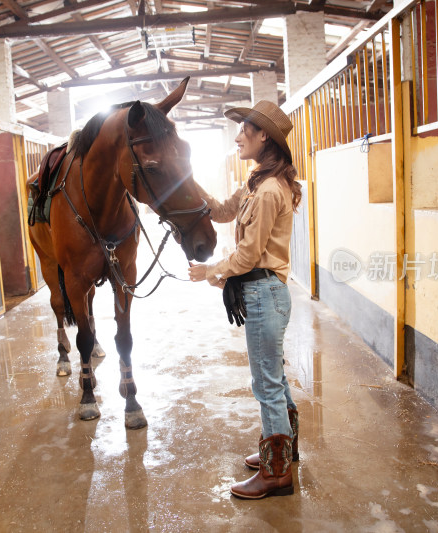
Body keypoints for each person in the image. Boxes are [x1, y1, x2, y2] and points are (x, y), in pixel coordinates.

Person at [188, 100, 302, 499]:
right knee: (276, 379)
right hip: (262, 293)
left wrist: (212, 270)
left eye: (244, 130)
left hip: (263, 293)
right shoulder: (256, 184)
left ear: (263, 136)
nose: (237, 137)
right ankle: (285, 452)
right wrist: (187, 180)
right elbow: (220, 211)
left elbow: (250, 255)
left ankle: (276, 474)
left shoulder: (270, 191)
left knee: (266, 385)